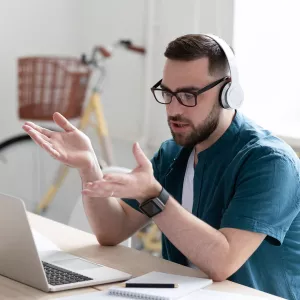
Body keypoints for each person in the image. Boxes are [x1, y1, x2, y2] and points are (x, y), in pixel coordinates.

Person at [22, 34, 300, 300]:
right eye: (167, 93)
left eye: (189, 95)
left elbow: (222, 263)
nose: (173, 109)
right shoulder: (173, 152)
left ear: (228, 92)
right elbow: (112, 231)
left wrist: (154, 196)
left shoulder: (270, 163)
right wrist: (89, 166)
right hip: (182, 292)